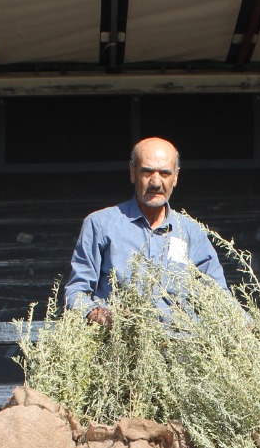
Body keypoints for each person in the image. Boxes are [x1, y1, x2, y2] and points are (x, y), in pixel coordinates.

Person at [64, 136, 227, 324]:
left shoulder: (191, 233)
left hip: (180, 348)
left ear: (176, 177)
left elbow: (220, 298)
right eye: (147, 172)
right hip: (119, 348)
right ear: (132, 173)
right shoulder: (101, 225)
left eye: (165, 173)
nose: (156, 182)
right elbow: (76, 293)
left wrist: (251, 326)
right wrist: (100, 315)